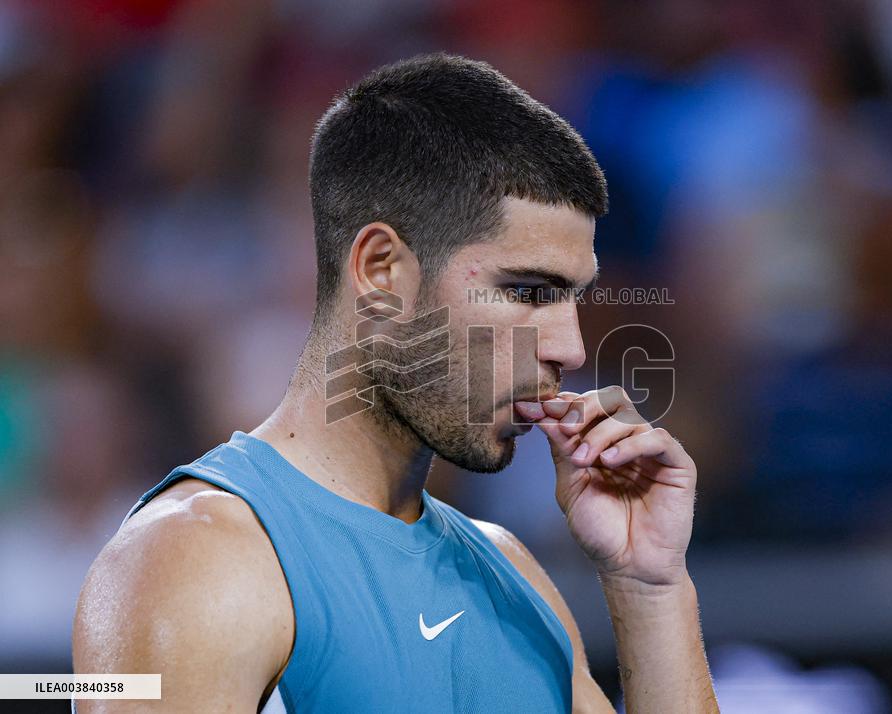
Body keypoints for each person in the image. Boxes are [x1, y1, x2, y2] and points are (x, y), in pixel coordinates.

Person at [73, 53, 719, 713]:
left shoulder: (515, 576)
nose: (571, 348)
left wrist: (650, 589)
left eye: (573, 299)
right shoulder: (191, 559)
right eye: (526, 290)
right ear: (382, 271)